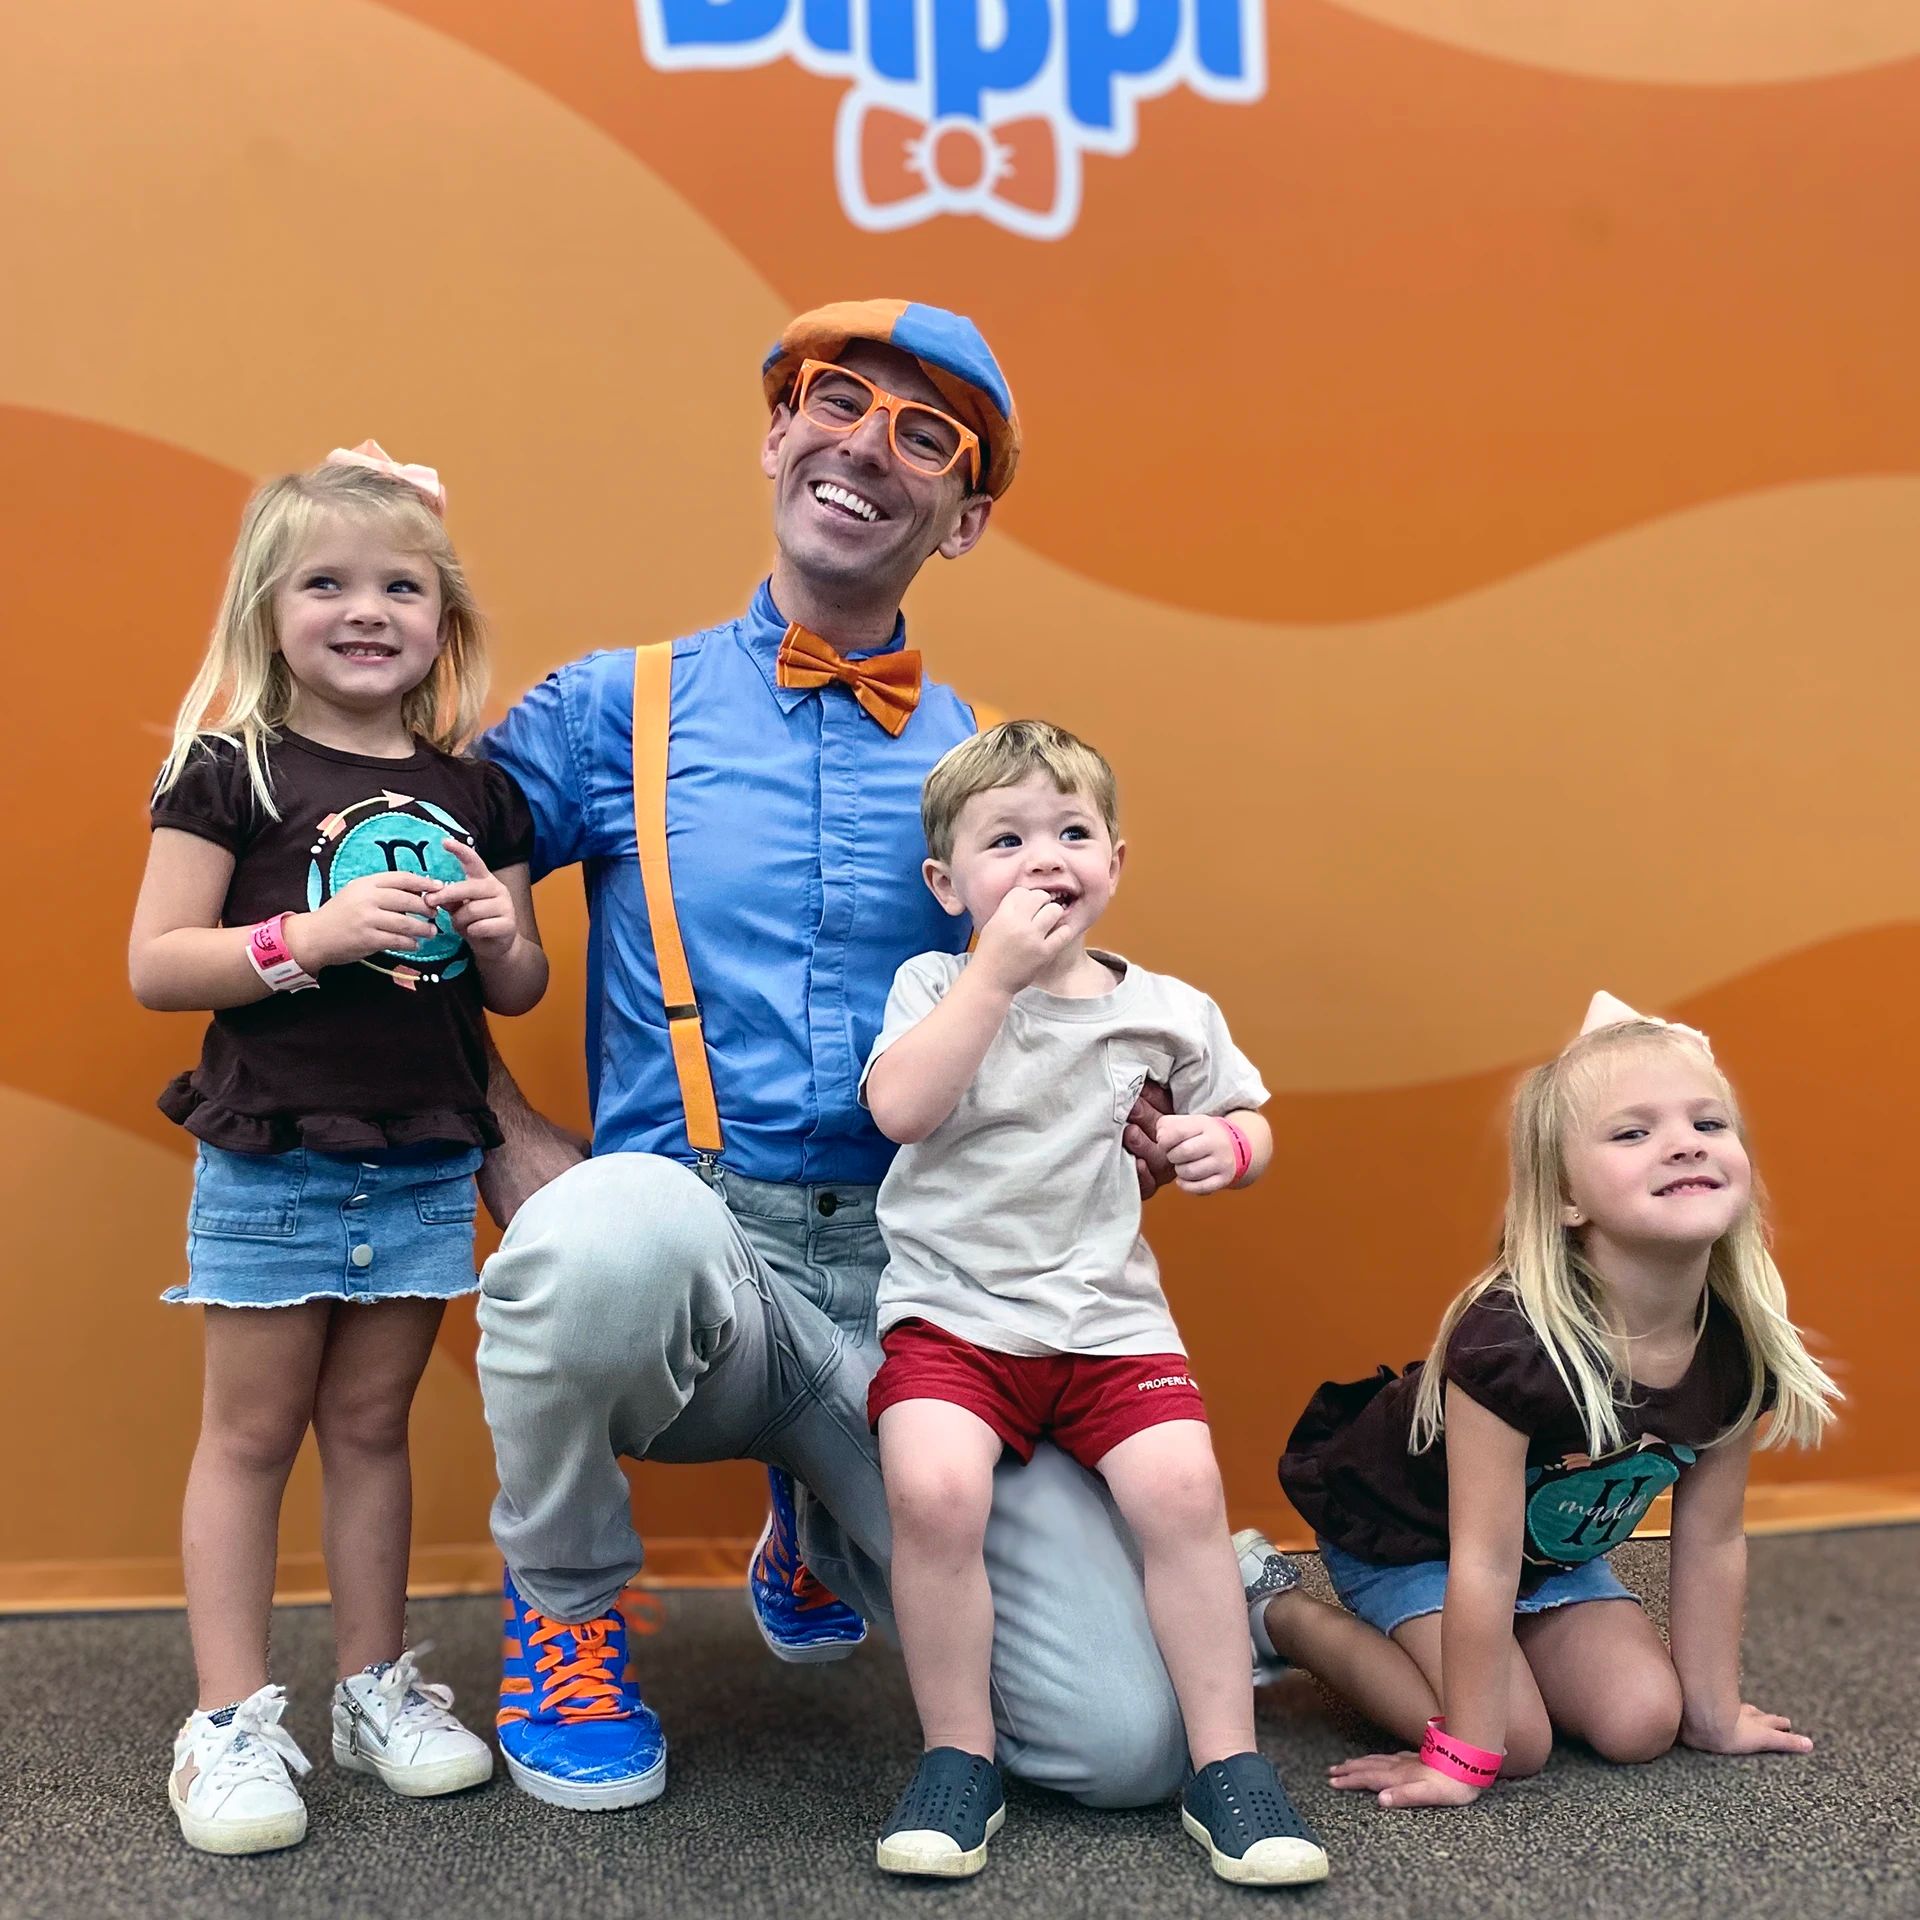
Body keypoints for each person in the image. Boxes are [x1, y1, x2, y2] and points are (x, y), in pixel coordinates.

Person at [472, 301, 1195, 1816]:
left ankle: (821, 1515)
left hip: (931, 1287)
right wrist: (501, 1133)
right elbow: (387, 866)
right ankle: (564, 1618)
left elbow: (1047, 1011)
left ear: (966, 516)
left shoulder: (994, 769)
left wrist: (1123, 1114)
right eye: (832, 399)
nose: (865, 442)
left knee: (1118, 1747)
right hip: (703, 1249)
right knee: (596, 1236)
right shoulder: (617, 704)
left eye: (924, 434)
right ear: (775, 432)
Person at [131, 445, 547, 1854]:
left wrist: (505, 936)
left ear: (445, 619)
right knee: (249, 1438)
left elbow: (521, 989)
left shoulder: (478, 795)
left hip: (426, 1156)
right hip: (274, 1154)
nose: (365, 610)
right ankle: (232, 1721)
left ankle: (375, 1690)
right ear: (268, 609)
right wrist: (302, 938)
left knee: (374, 1429)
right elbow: (158, 964)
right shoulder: (229, 770)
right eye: (327, 583)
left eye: (399, 587)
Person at [858, 720, 1329, 1886]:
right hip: (956, 1320)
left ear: (1115, 859)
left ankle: (1231, 1764)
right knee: (931, 1487)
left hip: (1109, 1326)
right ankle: (957, 1754)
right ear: (948, 883)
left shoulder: (1165, 1006)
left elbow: (1252, 1115)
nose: (1043, 859)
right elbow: (901, 1110)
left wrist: (1225, 1142)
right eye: (1004, 839)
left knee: (1183, 1492)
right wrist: (994, 977)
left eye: (1071, 832)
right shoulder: (935, 981)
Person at [1270, 993, 1837, 1808]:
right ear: (1567, 1197)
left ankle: (1517, 1667)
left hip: (1545, 1555)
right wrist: (1463, 1754)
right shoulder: (1508, 1346)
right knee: (1515, 1745)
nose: (1683, 1145)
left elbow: (1711, 1539)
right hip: (1412, 1536)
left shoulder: (1738, 1346)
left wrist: (1714, 1715)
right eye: (1633, 1133)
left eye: (1708, 1125)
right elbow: (1483, 1558)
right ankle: (1280, 1615)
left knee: (1643, 1722)